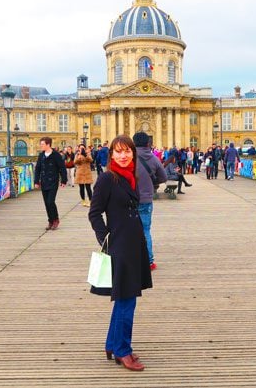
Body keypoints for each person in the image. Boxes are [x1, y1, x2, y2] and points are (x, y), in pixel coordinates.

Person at [88, 135, 152, 371]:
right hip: (120, 246)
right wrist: (106, 237)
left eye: (127, 151)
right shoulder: (107, 179)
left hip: (134, 244)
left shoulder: (130, 177)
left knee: (126, 299)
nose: (123, 155)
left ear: (133, 153)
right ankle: (122, 350)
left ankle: (113, 343)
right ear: (111, 155)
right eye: (119, 151)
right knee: (126, 301)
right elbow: (94, 213)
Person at [133, 131, 167, 271]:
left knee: (129, 230)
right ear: (149, 143)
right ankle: (149, 261)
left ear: (133, 143)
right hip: (146, 199)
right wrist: (151, 184)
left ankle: (131, 260)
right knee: (145, 230)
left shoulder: (129, 158)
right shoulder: (153, 158)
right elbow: (163, 178)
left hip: (130, 199)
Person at [34, 137, 67, 230]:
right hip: (44, 182)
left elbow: (62, 168)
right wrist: (36, 181)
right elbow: (37, 169)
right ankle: (50, 221)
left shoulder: (56, 155)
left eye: (42, 144)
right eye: (40, 144)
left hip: (53, 181)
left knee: (50, 201)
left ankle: (56, 219)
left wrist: (64, 180)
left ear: (48, 145)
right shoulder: (41, 155)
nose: (41, 146)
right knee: (46, 203)